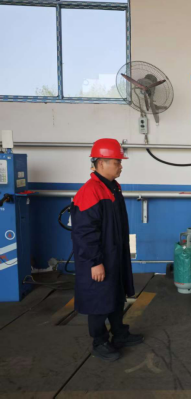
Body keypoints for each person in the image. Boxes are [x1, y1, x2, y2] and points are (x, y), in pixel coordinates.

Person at [71, 139, 144, 362]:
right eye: (117, 162)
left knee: (116, 295)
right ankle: (100, 342)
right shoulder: (90, 191)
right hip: (99, 259)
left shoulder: (112, 187)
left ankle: (119, 333)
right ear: (101, 163)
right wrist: (95, 262)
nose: (121, 166)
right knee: (99, 301)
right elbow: (84, 233)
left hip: (114, 256)